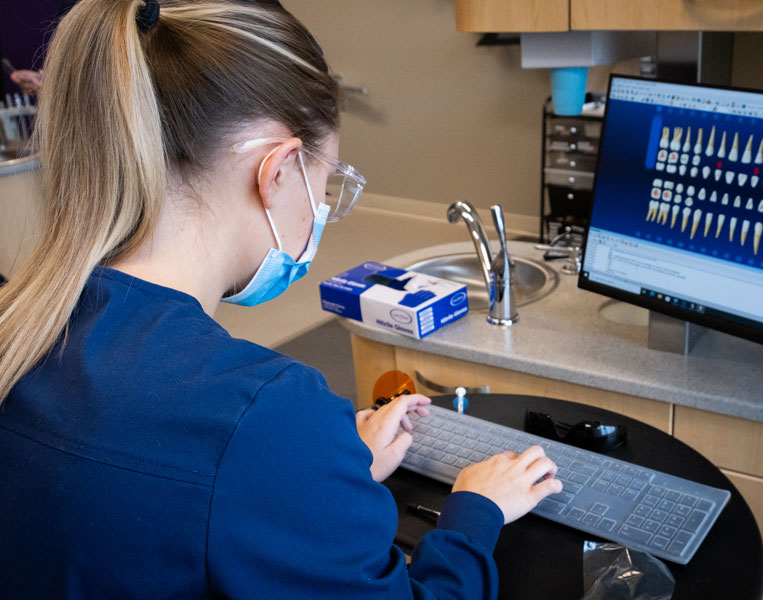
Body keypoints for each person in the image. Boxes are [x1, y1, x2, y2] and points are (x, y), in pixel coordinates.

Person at [0, 0, 561, 598]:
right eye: (326, 182)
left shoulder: (23, 326)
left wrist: (315, 476)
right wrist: (475, 512)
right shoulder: (268, 411)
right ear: (279, 170)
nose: (321, 210)